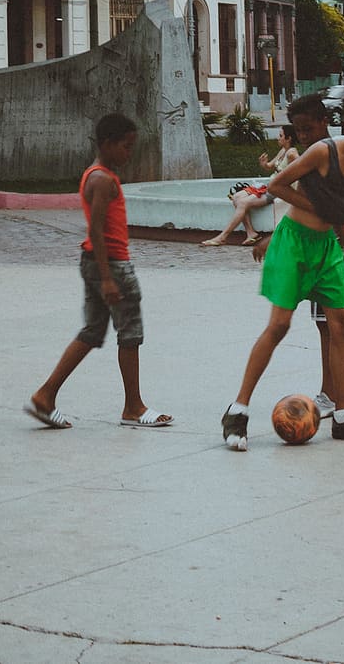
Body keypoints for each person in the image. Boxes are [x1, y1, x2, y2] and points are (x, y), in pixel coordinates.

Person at [222, 106, 344, 450]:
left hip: (327, 249)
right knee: (278, 326)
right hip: (294, 244)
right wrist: (316, 210)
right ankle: (237, 412)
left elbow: (337, 207)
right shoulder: (324, 151)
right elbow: (278, 185)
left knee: (341, 325)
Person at [26, 113, 173, 429]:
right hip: (113, 265)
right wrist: (108, 278)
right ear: (107, 143)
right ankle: (133, 407)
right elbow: (95, 231)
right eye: (125, 146)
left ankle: (46, 394)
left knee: (92, 331)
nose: (128, 153)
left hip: (94, 263)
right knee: (130, 333)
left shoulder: (92, 175)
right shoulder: (103, 180)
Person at [255, 93, 344, 420]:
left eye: (308, 128)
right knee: (335, 322)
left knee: (332, 323)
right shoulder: (321, 153)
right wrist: (278, 237)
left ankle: (331, 393)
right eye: (299, 132)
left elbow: (329, 205)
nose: (304, 136)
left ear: (324, 121)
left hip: (337, 242)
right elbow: (307, 202)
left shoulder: (334, 153)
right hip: (323, 241)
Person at [200, 125, 299, 247]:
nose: (278, 138)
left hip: (277, 191)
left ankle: (222, 237)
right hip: (269, 186)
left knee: (243, 203)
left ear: (288, 138)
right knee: (236, 197)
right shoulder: (283, 151)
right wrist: (263, 164)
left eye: (280, 136)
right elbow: (270, 166)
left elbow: (302, 168)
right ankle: (251, 233)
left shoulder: (292, 153)